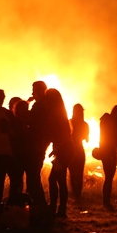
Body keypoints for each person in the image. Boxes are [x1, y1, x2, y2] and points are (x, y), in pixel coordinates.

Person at [45, 89, 73, 217]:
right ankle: (61, 209)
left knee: (54, 179)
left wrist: (56, 150)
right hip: (65, 150)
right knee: (60, 179)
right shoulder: (61, 112)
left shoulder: (57, 113)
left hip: (64, 151)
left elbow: (63, 136)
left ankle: (56, 208)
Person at [94, 104, 117, 209]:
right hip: (108, 152)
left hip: (111, 152)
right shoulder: (108, 121)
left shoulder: (109, 121)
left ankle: (106, 201)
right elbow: (109, 138)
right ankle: (106, 201)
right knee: (109, 177)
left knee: (109, 177)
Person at [68, 104, 89, 202]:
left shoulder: (69, 122)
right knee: (79, 173)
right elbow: (87, 139)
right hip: (80, 150)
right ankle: (78, 194)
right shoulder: (85, 124)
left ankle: (74, 193)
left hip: (70, 150)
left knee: (72, 173)